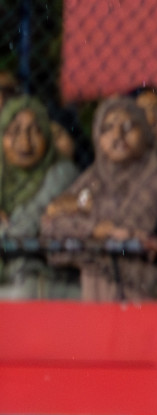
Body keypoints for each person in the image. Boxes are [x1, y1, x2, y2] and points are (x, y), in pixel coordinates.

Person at [39, 96, 157, 301]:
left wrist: (80, 218)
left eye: (128, 126)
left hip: (149, 295)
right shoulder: (93, 176)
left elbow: (132, 228)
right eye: (107, 128)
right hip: (101, 298)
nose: (117, 135)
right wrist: (98, 231)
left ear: (144, 131)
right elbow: (49, 229)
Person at [0, 96, 78, 298]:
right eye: (14, 131)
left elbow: (25, 228)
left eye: (35, 131)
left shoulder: (62, 172)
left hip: (43, 279)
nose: (25, 143)